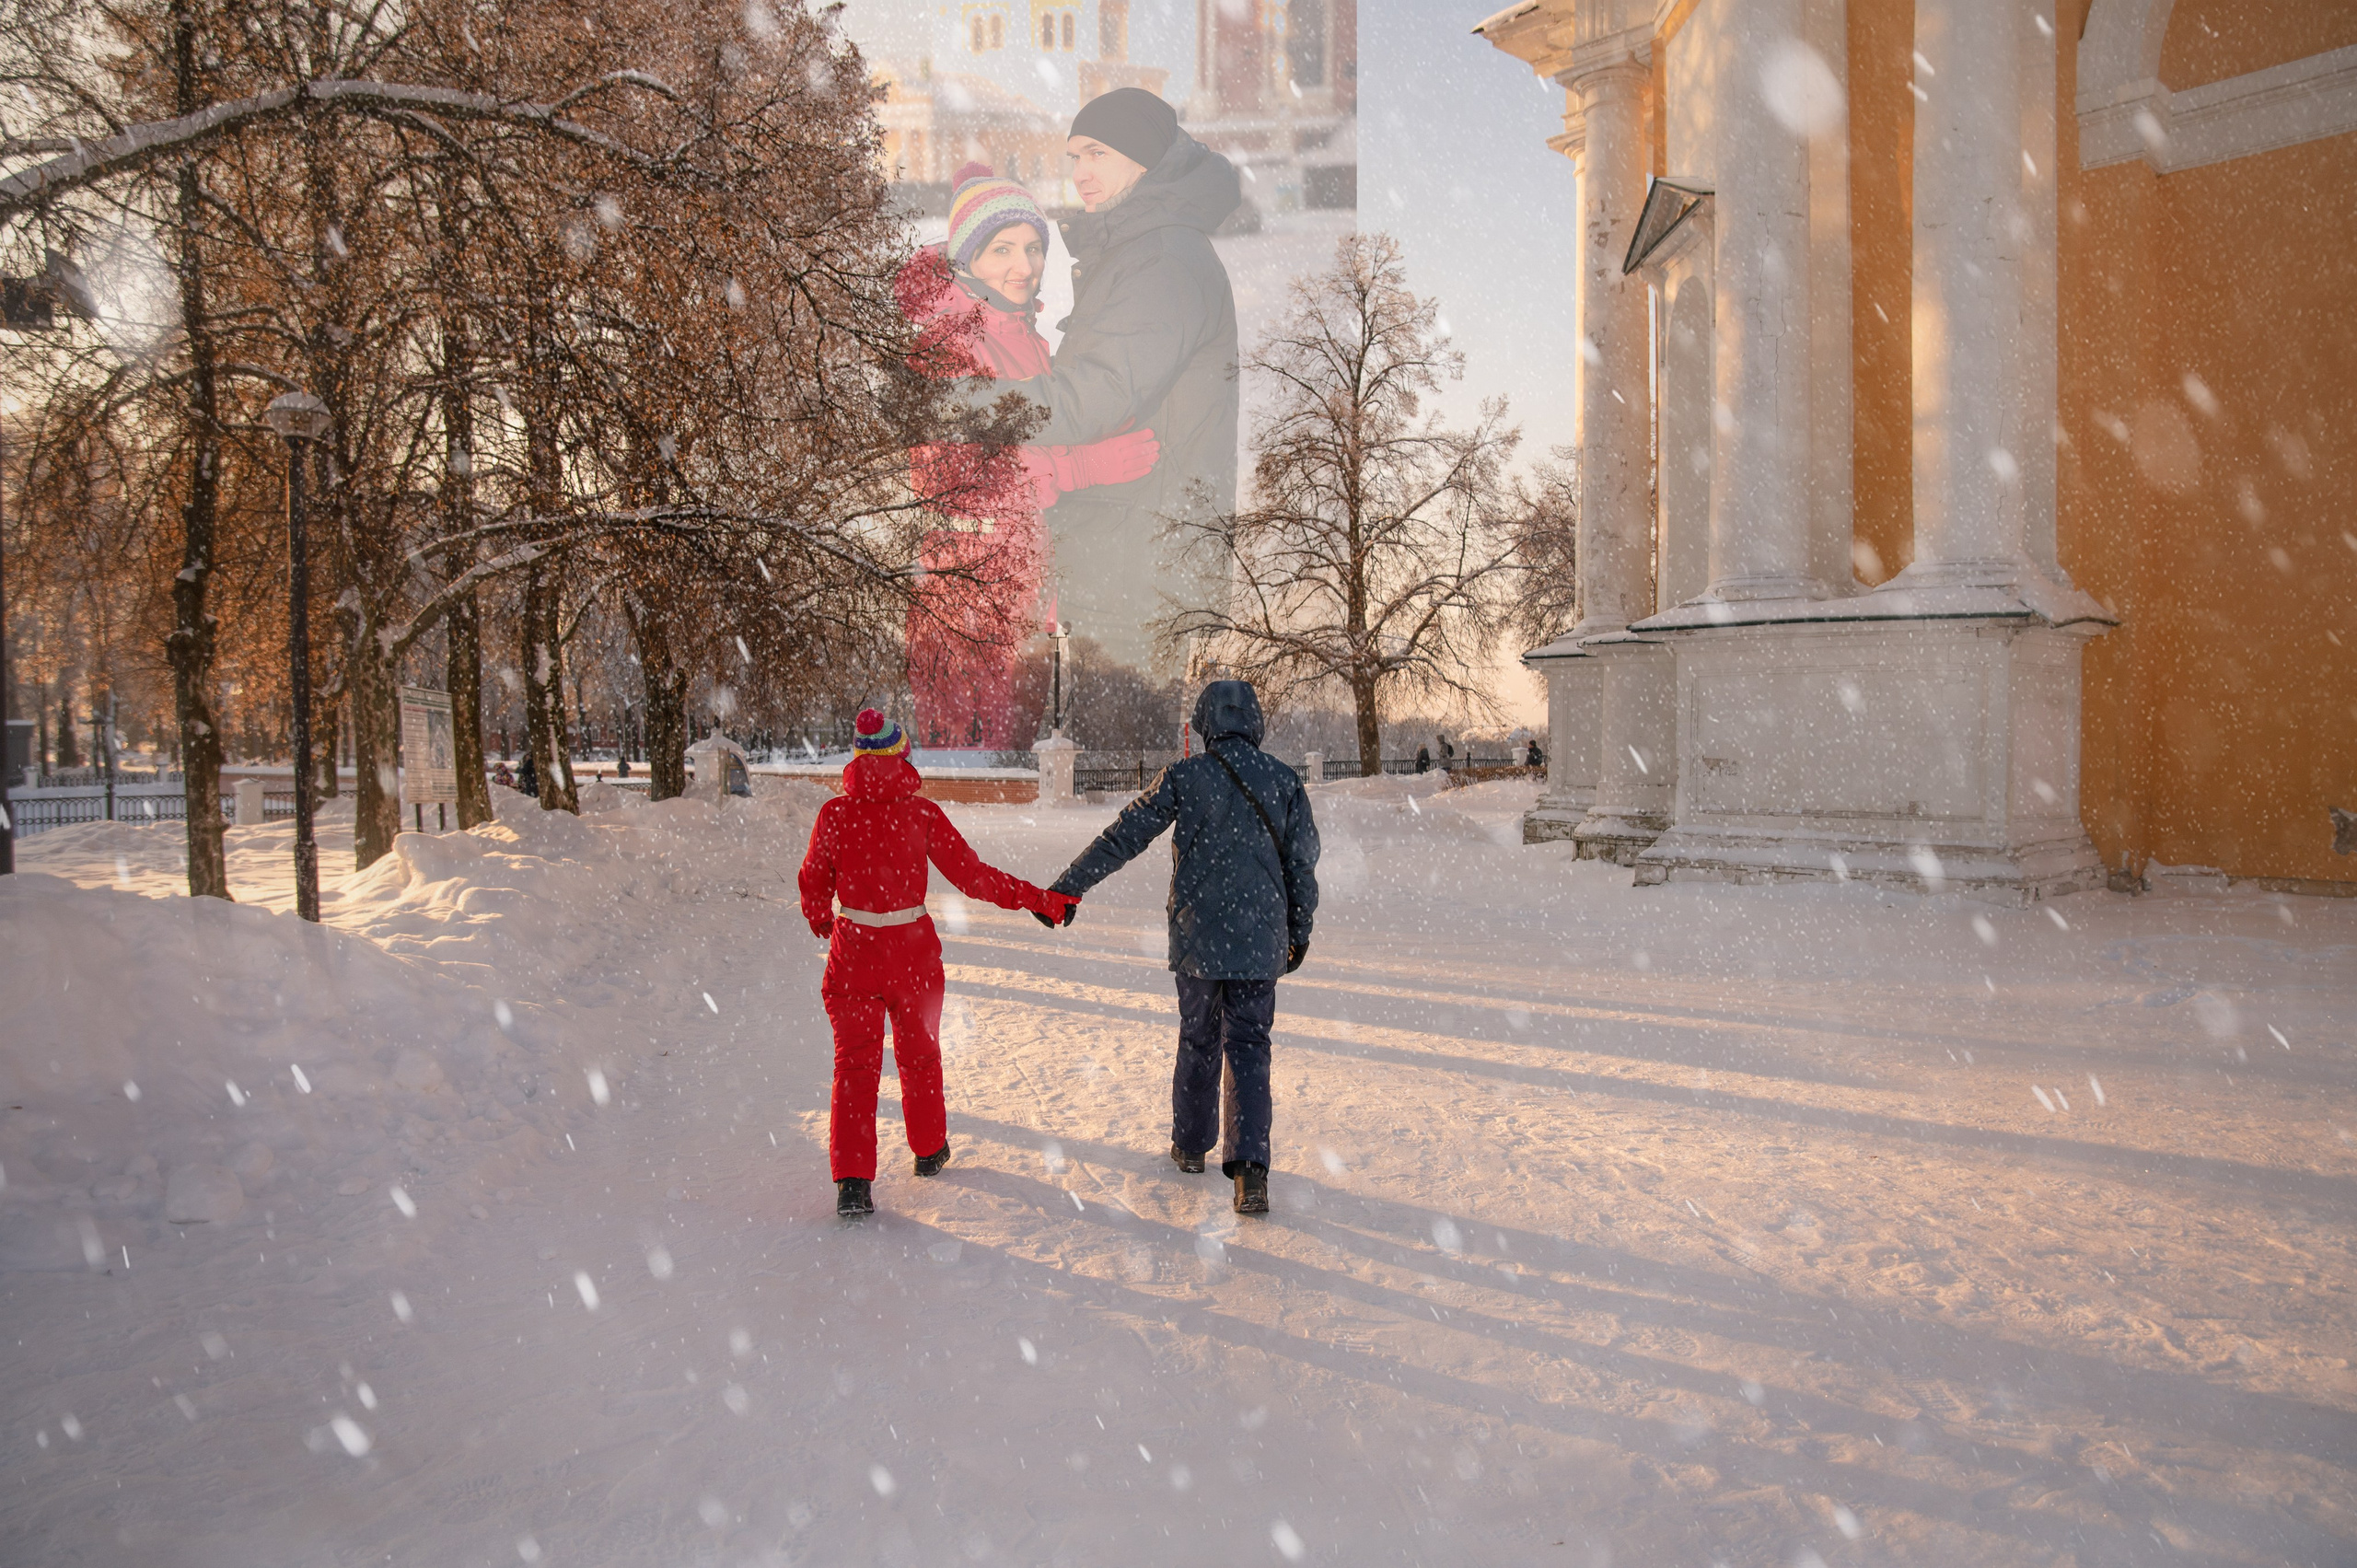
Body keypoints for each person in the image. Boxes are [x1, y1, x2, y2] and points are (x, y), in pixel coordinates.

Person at [941, 88, 1241, 673]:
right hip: (1127, 560)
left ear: (1144, 157)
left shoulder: (1163, 261)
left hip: (1138, 571)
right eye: (1073, 156)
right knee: (1101, 760)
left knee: (1116, 758)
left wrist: (956, 405)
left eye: (1096, 154)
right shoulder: (1144, 249)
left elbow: (1091, 398)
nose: (1079, 173)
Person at [900, 164, 1159, 748]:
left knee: (1014, 769)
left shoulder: (1024, 335)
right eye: (1002, 249)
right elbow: (953, 473)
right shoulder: (946, 344)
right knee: (976, 771)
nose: (1024, 267)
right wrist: (1083, 466)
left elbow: (1036, 432)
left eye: (1034, 248)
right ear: (967, 258)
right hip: (967, 602)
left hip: (1023, 595)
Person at [1045, 681, 1318, 1215]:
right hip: (1261, 939)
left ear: (1205, 722)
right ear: (1255, 722)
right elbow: (1301, 866)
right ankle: (1250, 1171)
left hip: (1198, 940)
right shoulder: (1285, 782)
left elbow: (1124, 835)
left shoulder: (1185, 777)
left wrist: (1068, 886)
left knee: (1198, 1037)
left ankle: (1191, 1146)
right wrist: (1298, 930)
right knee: (1249, 1045)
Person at [797, 709, 1078, 1218]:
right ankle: (928, 1150)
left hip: (854, 956)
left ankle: (854, 1183)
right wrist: (1041, 900)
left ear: (858, 759)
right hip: (913, 959)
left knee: (855, 1067)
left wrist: (822, 918)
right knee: (920, 1055)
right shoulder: (922, 815)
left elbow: (813, 878)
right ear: (901, 756)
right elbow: (974, 876)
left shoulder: (833, 816)